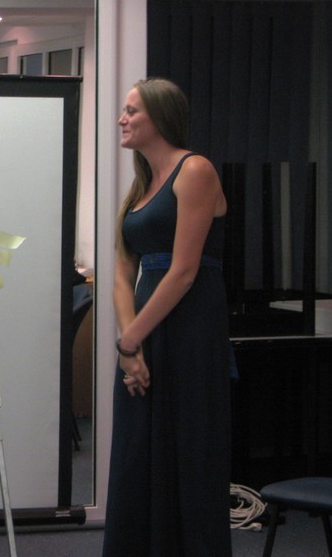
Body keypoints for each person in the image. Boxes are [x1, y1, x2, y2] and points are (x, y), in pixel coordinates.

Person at [102, 78, 233, 556]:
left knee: (189, 452)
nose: (122, 119)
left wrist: (129, 342)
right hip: (143, 334)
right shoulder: (141, 186)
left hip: (188, 330)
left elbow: (183, 272)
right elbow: (122, 273)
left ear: (160, 117)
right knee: (137, 453)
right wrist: (130, 344)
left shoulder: (195, 170)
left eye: (132, 110)